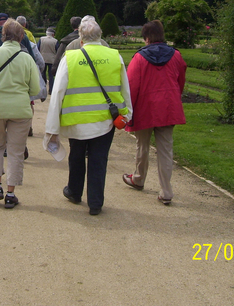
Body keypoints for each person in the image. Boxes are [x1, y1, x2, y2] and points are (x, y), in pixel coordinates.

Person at [45, 17, 132, 215]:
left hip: (77, 120)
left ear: (81, 38)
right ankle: (95, 202)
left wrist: (52, 126)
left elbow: (58, 92)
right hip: (105, 120)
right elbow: (124, 88)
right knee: (99, 160)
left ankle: (75, 192)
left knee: (76, 156)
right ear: (100, 37)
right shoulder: (114, 56)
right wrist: (128, 113)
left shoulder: (70, 57)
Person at [0, 19, 41, 209]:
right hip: (20, 109)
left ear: (2, 35)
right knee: (15, 151)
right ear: (21, 36)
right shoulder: (26, 57)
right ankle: (11, 193)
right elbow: (35, 87)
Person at [122, 20, 186, 206]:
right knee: (166, 150)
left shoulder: (139, 58)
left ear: (147, 38)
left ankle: (139, 178)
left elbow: (131, 87)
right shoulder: (176, 56)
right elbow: (180, 81)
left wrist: (128, 111)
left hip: (146, 108)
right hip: (168, 107)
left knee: (142, 146)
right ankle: (166, 190)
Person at [37, 27, 57, 94]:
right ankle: (51, 90)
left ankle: (43, 89)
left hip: (43, 58)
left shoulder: (41, 39)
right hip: (52, 59)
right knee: (51, 75)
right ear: (53, 34)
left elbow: (38, 48)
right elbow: (57, 50)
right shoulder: (55, 41)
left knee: (43, 74)